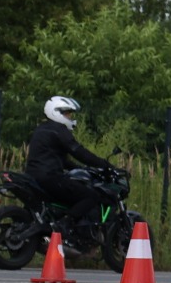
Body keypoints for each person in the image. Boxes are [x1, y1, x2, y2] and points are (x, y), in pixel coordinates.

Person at [25, 96, 114, 234]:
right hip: (50, 177)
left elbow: (61, 160)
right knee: (91, 196)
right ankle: (65, 224)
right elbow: (78, 151)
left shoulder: (41, 129)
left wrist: (81, 169)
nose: (70, 117)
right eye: (67, 113)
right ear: (56, 112)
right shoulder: (59, 129)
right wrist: (104, 165)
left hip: (32, 177)